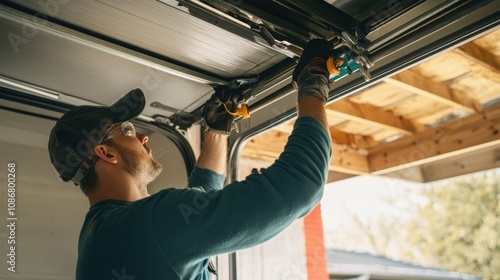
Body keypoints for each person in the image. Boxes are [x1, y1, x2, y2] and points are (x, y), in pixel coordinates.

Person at [48, 39, 333, 280]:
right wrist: (314, 81)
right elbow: (300, 185)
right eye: (128, 130)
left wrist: (217, 132)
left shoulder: (101, 231)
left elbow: (196, 206)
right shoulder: (147, 224)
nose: (143, 138)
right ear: (105, 153)